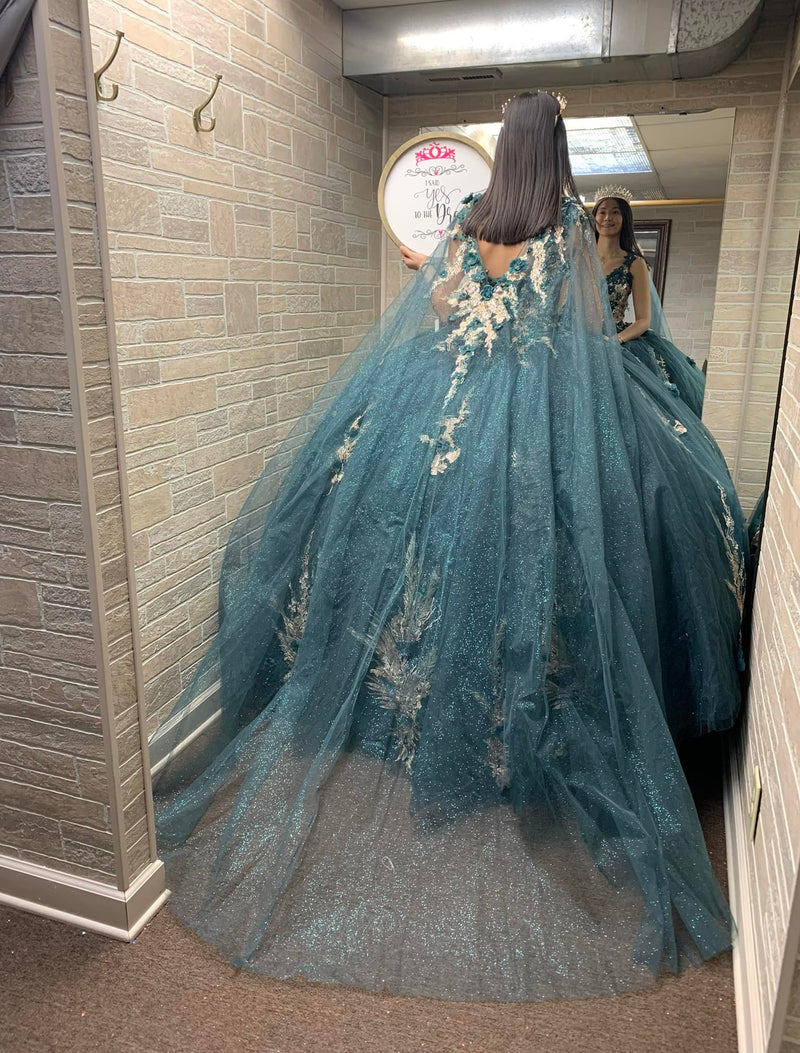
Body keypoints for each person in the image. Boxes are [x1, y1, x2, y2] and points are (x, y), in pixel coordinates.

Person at [152, 91, 747, 1004]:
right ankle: (504, 718)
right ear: (554, 151)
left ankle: (396, 707)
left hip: (444, 393)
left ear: (504, 150)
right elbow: (585, 333)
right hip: (537, 403)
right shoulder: (567, 228)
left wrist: (465, 304)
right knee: (570, 538)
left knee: (399, 528)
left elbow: (437, 308)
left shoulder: (472, 218)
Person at [592, 188, 707, 417]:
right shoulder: (578, 259)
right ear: (594, 217)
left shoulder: (634, 264)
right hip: (579, 340)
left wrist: (614, 341)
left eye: (615, 212)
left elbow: (644, 320)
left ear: (625, 218)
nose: (607, 218)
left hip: (618, 343)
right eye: (602, 211)